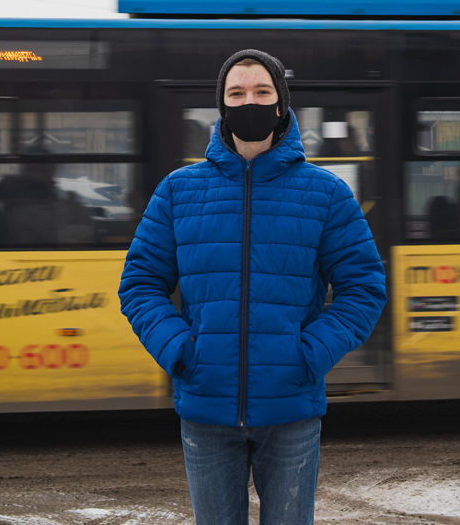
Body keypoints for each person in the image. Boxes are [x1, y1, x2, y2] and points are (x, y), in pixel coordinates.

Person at [119, 49, 387, 525]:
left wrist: (309, 354)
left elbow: (362, 288)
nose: (250, 103)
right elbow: (140, 283)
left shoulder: (325, 193)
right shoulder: (179, 192)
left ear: (281, 104)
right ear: (221, 106)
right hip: (206, 407)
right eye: (236, 93)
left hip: (290, 411)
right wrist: (181, 350)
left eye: (262, 92)